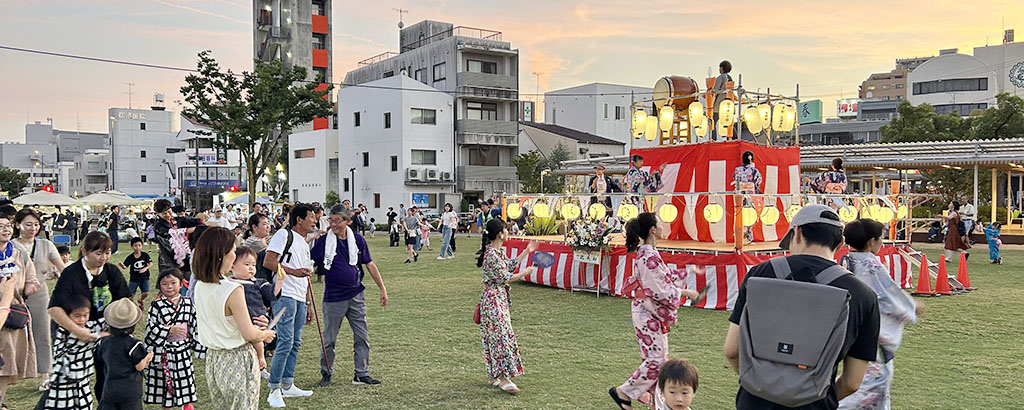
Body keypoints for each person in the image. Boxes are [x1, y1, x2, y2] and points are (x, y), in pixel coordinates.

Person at [723, 205, 880, 410]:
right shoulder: (863, 296)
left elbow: (732, 350)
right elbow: (852, 382)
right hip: (815, 403)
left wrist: (760, 385)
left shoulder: (761, 273)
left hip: (754, 401)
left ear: (797, 232)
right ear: (841, 242)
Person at [610, 213, 702, 410]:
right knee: (656, 360)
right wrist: (686, 292)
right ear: (653, 229)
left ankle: (655, 405)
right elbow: (659, 288)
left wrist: (687, 272)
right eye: (660, 224)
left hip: (647, 312)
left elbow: (663, 278)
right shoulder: (648, 254)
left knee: (657, 360)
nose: (662, 227)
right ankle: (623, 392)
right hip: (647, 312)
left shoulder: (648, 253)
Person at [839, 219, 922, 410]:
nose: (882, 242)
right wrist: (911, 307)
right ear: (871, 241)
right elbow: (889, 297)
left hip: (852, 332)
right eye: (881, 238)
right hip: (871, 338)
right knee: (866, 389)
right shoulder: (871, 266)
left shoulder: (847, 261)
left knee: (865, 389)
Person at [193, 227, 276, 410]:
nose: (233, 256)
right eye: (232, 251)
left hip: (214, 360)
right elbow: (249, 333)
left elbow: (228, 321)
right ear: (221, 256)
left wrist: (255, 326)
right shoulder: (231, 289)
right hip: (237, 359)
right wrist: (265, 334)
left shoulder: (200, 286)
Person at [311, 205, 388, 387]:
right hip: (333, 297)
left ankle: (361, 373)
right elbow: (309, 262)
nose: (334, 224)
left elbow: (369, 264)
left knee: (362, 336)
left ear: (348, 221)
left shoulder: (357, 240)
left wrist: (382, 289)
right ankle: (326, 373)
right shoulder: (323, 242)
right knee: (329, 339)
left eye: (338, 220)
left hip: (356, 295)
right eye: (331, 220)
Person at [48, 231, 130, 402]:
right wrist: (79, 331)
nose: (103, 258)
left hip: (104, 330)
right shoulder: (72, 273)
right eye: (98, 253)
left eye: (107, 252)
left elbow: (124, 300)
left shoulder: (111, 271)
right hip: (72, 330)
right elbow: (54, 308)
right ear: (84, 251)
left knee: (107, 376)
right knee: (69, 380)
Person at [263, 204, 318, 407]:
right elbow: (268, 262)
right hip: (284, 294)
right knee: (285, 341)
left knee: (295, 342)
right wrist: (293, 272)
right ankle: (274, 388)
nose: (315, 220)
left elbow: (305, 275)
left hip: (299, 297)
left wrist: (307, 303)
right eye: (311, 217)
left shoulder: (304, 243)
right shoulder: (283, 235)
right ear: (299, 220)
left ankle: (288, 384)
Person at [477, 218, 538, 395]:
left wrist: (526, 251)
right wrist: (525, 273)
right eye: (506, 229)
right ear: (499, 234)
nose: (508, 232)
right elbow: (506, 276)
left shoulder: (496, 252)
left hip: (498, 298)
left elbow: (509, 265)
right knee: (500, 337)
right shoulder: (491, 256)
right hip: (493, 300)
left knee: (496, 337)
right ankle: (503, 377)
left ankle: (495, 375)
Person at [14, 208, 65, 390]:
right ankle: (11, 374)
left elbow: (62, 267)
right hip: (14, 295)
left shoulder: (46, 245)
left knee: (42, 333)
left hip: (39, 293)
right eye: (28, 224)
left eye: (36, 224)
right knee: (11, 335)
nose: (33, 228)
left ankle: (45, 375)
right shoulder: (10, 245)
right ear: (17, 225)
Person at [143, 269, 203, 410]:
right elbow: (150, 329)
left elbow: (196, 325)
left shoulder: (188, 303)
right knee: (166, 389)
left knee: (185, 384)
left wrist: (199, 345)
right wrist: (168, 330)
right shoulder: (156, 306)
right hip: (165, 352)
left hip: (182, 351)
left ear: (181, 284)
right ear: (160, 286)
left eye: (173, 283)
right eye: (165, 283)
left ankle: (187, 406)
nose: (169, 287)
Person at [0, 217, 41, 404]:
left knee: (8, 366)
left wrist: (30, 287)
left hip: (13, 314)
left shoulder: (19, 253)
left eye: (7, 226)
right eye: (0, 227)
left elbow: (32, 279)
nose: (5, 230)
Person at [226, 246, 281, 380]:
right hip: (237, 323)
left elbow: (271, 295)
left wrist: (280, 281)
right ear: (232, 265)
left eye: (253, 265)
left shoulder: (258, 282)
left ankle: (261, 363)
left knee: (258, 342)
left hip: (255, 320)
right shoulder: (228, 284)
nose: (251, 268)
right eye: (246, 264)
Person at [37, 294, 98, 410]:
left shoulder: (84, 329)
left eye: (85, 315)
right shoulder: (66, 335)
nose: (82, 319)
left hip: (80, 386)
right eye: (77, 316)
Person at [96, 298, 153, 410]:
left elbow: (100, 358)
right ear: (133, 324)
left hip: (110, 389)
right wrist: (147, 358)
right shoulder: (134, 344)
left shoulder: (105, 341)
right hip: (130, 391)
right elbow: (139, 366)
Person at [731, 151, 763, 244]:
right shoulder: (754, 171)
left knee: (739, 213)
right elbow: (758, 181)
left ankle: (739, 237)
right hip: (750, 193)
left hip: (739, 193)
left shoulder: (737, 170)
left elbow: (734, 178)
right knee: (750, 213)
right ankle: (748, 237)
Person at [118, 237, 152, 311]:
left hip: (145, 277)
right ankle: (132, 309)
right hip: (134, 278)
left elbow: (150, 263)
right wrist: (122, 266)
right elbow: (125, 266)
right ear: (132, 247)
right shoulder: (130, 257)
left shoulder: (145, 255)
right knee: (130, 296)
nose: (137, 247)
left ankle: (140, 300)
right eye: (135, 246)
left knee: (146, 293)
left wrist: (145, 268)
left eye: (139, 245)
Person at [244, 213, 273, 283]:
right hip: (257, 280)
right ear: (254, 227)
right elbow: (271, 253)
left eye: (268, 224)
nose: (268, 227)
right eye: (264, 224)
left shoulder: (267, 239)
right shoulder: (252, 242)